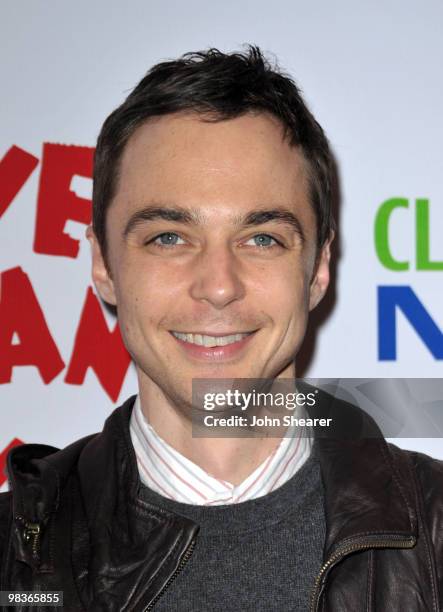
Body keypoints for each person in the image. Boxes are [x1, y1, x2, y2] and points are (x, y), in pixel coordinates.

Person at [0, 46, 442, 612]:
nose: (218, 285)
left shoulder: (436, 532)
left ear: (318, 270)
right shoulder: (14, 559)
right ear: (104, 266)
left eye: (262, 238)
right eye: (168, 237)